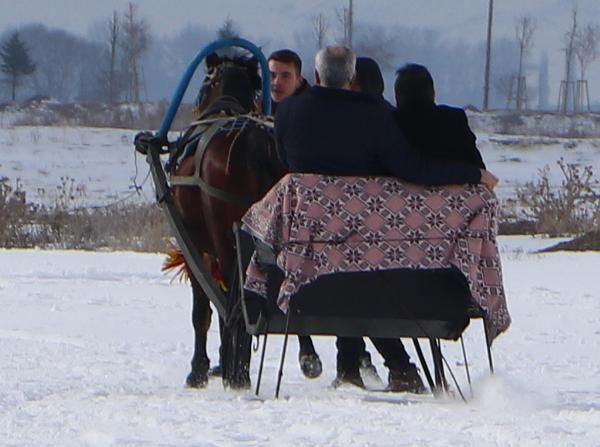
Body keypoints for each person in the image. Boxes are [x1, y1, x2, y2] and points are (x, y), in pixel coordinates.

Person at [275, 46, 498, 391]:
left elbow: (284, 165)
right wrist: (472, 173)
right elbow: (412, 169)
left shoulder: (288, 112)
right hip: (372, 256)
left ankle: (362, 365)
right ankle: (396, 366)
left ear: (317, 77)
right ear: (352, 79)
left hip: (305, 260)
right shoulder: (377, 117)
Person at [394, 63, 486, 168]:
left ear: (399, 96)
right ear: (432, 92)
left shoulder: (390, 124)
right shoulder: (455, 120)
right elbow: (478, 168)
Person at [267, 49, 309, 113]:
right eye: (272, 75)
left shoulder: (310, 111)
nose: (276, 82)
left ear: (299, 82)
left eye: (285, 76)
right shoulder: (260, 100)